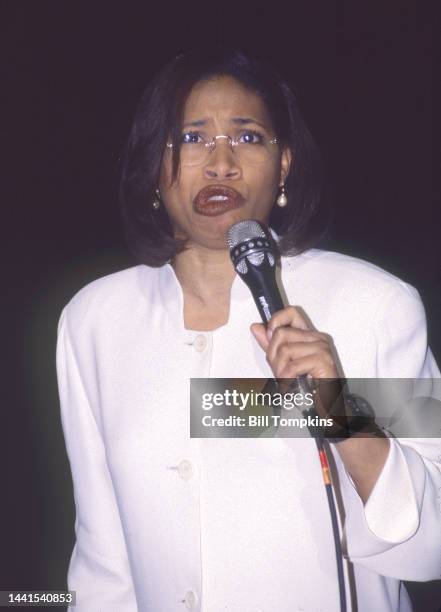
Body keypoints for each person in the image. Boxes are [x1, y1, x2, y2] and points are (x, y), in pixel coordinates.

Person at [56, 48, 441, 611]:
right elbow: (102, 561)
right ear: (152, 169)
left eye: (248, 137)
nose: (220, 163)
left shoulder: (374, 306)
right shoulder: (96, 320)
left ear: (283, 165)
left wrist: (341, 411)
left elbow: (431, 542)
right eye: (190, 138)